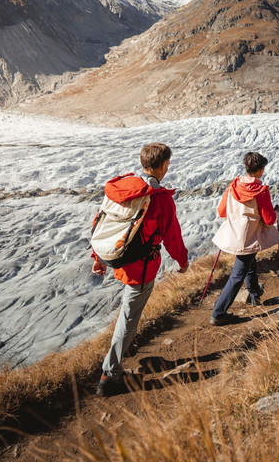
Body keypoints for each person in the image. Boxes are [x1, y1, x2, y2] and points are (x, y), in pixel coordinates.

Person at [92, 142, 189, 397]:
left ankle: (124, 352)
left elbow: (102, 223)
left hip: (118, 259)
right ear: (164, 165)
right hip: (141, 269)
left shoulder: (122, 189)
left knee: (128, 313)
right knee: (129, 319)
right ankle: (109, 375)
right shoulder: (160, 200)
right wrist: (183, 260)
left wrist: (98, 257)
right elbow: (173, 237)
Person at [210, 151, 279, 326]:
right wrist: (277, 212)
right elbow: (269, 220)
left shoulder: (233, 186)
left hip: (233, 234)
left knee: (249, 262)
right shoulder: (260, 191)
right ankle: (218, 313)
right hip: (249, 237)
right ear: (260, 170)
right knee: (238, 274)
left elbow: (221, 212)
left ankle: (254, 293)